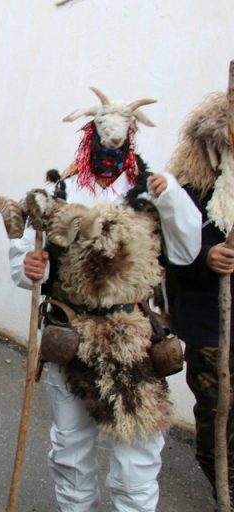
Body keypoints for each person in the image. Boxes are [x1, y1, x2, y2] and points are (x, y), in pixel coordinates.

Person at [9, 105, 200, 510]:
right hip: (70, 332)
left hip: (133, 338)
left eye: (120, 134)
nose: (110, 142)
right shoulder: (58, 191)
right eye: (102, 131)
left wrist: (171, 201)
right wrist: (29, 268)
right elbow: (26, 259)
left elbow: (185, 252)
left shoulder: (153, 190)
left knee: (138, 456)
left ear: (132, 135)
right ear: (89, 133)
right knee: (71, 451)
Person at [165, 92, 234, 505]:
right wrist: (207, 255)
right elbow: (173, 250)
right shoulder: (192, 186)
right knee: (217, 419)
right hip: (212, 325)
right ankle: (225, 492)